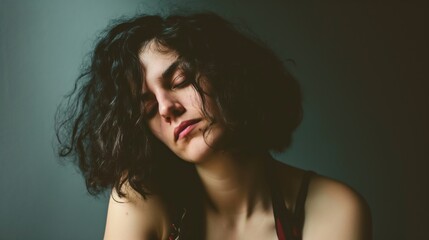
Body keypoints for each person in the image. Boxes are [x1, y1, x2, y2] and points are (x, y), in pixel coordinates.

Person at [56, 12, 372, 240]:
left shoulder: (333, 209)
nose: (167, 108)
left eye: (179, 81)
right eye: (148, 108)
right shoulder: (140, 198)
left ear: (226, 74)